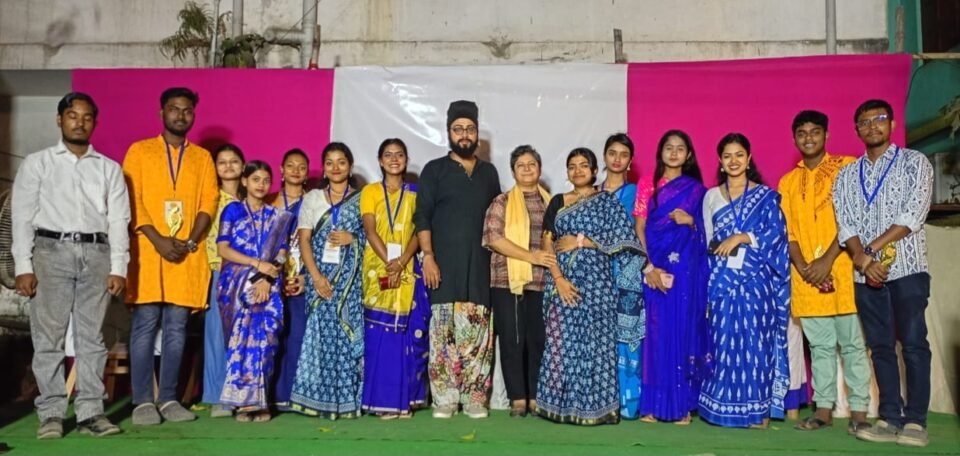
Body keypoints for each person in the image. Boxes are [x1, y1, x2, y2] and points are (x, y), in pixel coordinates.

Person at [12, 92, 129, 438]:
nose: (80, 122)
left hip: (97, 253)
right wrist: (23, 265)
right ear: (59, 119)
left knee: (92, 337)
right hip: (50, 251)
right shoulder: (38, 163)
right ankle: (51, 413)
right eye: (72, 115)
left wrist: (119, 266)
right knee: (48, 337)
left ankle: (91, 413)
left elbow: (119, 219)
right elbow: (22, 216)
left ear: (95, 122)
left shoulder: (108, 168)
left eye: (87, 117)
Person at [833, 100, 934, 447]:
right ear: (856, 130)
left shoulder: (914, 163)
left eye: (879, 119)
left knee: (914, 344)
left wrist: (870, 250)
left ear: (891, 124)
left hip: (907, 269)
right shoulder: (847, 175)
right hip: (865, 275)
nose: (872, 126)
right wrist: (862, 260)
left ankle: (916, 421)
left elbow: (913, 214)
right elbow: (845, 223)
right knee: (879, 347)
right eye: (864, 122)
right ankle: (889, 417)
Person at [123, 87, 218, 425]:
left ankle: (168, 399)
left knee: (177, 327)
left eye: (187, 110)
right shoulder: (140, 151)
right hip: (149, 251)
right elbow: (132, 199)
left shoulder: (202, 158)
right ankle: (142, 402)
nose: (181, 115)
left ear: (194, 115)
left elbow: (209, 201)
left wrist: (190, 240)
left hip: (186, 254)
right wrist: (158, 239)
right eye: (174, 109)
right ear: (162, 112)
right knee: (145, 325)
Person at [537, 148, 645, 426]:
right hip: (562, 281)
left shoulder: (607, 202)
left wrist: (582, 241)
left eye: (584, 165)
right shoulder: (558, 201)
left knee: (596, 345)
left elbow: (627, 241)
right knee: (561, 343)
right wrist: (559, 279)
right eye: (572, 166)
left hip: (598, 284)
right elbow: (547, 244)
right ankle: (559, 407)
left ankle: (596, 409)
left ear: (595, 171)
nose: (578, 171)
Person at [778, 111, 871, 434]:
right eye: (802, 133)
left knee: (853, 345)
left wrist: (826, 262)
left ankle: (859, 411)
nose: (809, 138)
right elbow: (788, 232)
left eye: (815, 132)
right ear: (794, 139)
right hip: (806, 277)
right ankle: (824, 409)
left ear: (827, 135)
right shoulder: (788, 181)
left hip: (843, 271)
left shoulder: (847, 168)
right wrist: (805, 267)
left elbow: (853, 219)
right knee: (819, 347)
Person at [414, 100, 501, 419]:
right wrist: (428, 257)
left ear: (477, 133)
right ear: (448, 132)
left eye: (470, 129)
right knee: (443, 334)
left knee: (477, 333)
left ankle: (475, 398)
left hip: (479, 266)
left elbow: (496, 219)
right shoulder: (434, 170)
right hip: (443, 266)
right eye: (458, 129)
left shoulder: (488, 172)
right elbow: (422, 216)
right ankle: (445, 398)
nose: (464, 134)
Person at [698, 133, 790, 429]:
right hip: (722, 280)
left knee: (755, 341)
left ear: (749, 159)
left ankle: (758, 412)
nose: (734, 161)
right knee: (722, 340)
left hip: (756, 281)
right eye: (727, 156)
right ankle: (722, 408)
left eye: (739, 155)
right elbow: (707, 240)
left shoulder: (765, 197)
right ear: (720, 161)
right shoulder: (711, 196)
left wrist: (742, 237)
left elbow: (777, 234)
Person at [289, 143, 367, 419]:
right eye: (330, 162)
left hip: (350, 282)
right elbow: (304, 240)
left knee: (346, 339)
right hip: (319, 278)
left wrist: (353, 238)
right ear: (323, 168)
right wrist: (316, 277)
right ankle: (317, 401)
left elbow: (373, 238)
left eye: (341, 162)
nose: (336, 167)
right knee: (320, 338)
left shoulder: (362, 199)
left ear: (350, 166)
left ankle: (347, 402)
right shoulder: (313, 198)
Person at [638, 130, 709, 425]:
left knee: (682, 330)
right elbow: (639, 228)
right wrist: (648, 266)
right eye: (669, 147)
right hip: (655, 267)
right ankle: (653, 406)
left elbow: (710, 232)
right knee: (655, 334)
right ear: (661, 152)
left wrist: (691, 221)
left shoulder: (698, 191)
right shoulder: (648, 185)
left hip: (685, 272)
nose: (674, 153)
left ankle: (682, 406)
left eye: (680, 148)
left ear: (688, 155)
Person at [360, 138, 431, 419]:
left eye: (399, 155)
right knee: (380, 334)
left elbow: (420, 229)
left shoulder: (416, 193)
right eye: (388, 155)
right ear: (380, 161)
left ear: (406, 160)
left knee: (411, 332)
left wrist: (402, 261)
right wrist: (389, 262)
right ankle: (383, 400)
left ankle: (408, 398)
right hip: (378, 268)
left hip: (408, 268)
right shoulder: (370, 191)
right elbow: (370, 229)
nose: (393, 159)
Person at [216, 161, 293, 422]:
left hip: (269, 283)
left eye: (266, 180)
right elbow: (223, 249)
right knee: (241, 341)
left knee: (266, 340)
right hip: (237, 284)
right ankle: (243, 403)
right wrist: (256, 265)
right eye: (256, 179)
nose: (261, 185)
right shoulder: (233, 210)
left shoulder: (277, 216)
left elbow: (282, 253)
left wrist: (268, 276)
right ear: (244, 181)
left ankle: (261, 402)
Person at [482, 145, 555, 418]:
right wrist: (530, 256)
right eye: (520, 165)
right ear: (513, 172)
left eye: (531, 164)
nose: (526, 168)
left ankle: (536, 396)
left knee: (538, 340)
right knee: (512, 340)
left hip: (543, 281)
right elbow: (493, 239)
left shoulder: (552, 203)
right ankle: (517, 399)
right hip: (507, 281)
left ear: (539, 169)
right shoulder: (501, 202)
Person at [599, 133, 645, 420]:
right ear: (604, 156)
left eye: (623, 154)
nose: (617, 159)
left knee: (628, 338)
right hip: (596, 273)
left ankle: (629, 402)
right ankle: (601, 401)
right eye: (612, 153)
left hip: (628, 272)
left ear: (630, 160)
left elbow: (642, 231)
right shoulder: (591, 192)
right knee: (599, 336)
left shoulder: (638, 194)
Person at [202, 144, 244, 418]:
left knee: (242, 335)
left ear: (243, 165)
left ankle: (241, 393)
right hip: (219, 271)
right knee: (217, 334)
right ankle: (218, 396)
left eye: (234, 161)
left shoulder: (251, 198)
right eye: (222, 162)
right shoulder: (210, 199)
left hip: (247, 275)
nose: (228, 166)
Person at [268, 148, 310, 410]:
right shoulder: (269, 203)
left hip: (301, 278)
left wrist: (306, 276)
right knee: (272, 337)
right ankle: (269, 394)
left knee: (297, 337)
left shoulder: (314, 204)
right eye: (291, 166)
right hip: (272, 279)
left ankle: (293, 395)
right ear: (281, 170)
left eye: (302, 167)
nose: (296, 171)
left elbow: (318, 245)